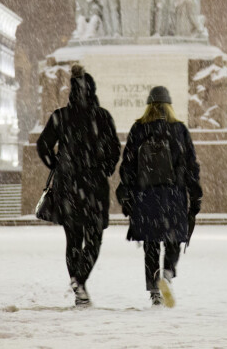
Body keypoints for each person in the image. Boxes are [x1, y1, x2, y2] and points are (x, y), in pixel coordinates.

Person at [37, 64, 121, 307]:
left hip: (68, 186)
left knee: (73, 239)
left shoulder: (61, 116)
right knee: (93, 239)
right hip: (93, 186)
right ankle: (80, 280)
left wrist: (55, 163)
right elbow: (115, 148)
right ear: (93, 91)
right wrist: (105, 167)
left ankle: (77, 284)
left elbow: (43, 145)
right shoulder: (102, 116)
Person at [116, 86, 202, 307]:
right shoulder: (179, 129)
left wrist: (126, 192)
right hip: (173, 195)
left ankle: (154, 288)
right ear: (168, 105)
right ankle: (167, 272)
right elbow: (191, 165)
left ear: (149, 105)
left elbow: (127, 166)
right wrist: (195, 194)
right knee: (173, 238)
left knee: (151, 244)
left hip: (146, 196)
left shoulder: (139, 129)